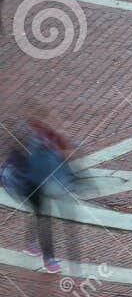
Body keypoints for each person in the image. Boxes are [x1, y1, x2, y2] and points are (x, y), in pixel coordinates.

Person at [3, 112, 76, 273]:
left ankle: (30, 245)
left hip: (39, 183)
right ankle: (48, 258)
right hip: (29, 185)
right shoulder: (25, 145)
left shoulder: (47, 137)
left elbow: (65, 155)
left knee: (38, 215)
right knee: (44, 219)